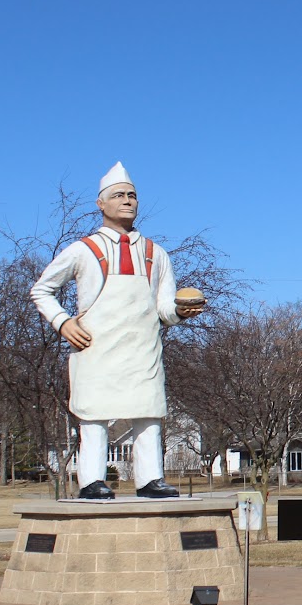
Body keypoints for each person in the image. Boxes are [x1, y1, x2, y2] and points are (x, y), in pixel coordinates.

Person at [30, 162, 204, 500]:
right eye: (119, 195)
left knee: (148, 414)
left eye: (132, 195)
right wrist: (63, 322)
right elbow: (42, 289)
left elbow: (164, 310)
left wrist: (181, 311)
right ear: (101, 203)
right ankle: (91, 480)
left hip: (143, 349)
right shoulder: (83, 250)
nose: (127, 200)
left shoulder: (156, 254)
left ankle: (150, 479)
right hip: (96, 347)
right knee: (94, 415)